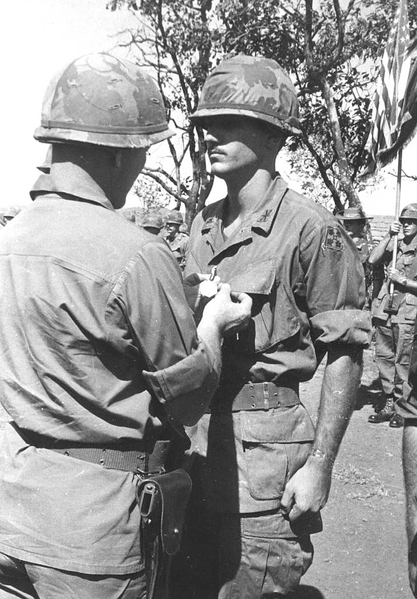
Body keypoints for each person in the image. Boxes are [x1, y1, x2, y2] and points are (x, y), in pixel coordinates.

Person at [0, 53, 252, 599]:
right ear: (121, 155)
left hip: (13, 514)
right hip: (92, 535)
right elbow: (186, 401)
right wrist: (213, 323)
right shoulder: (135, 254)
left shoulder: (9, 241)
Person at [171, 54, 371, 599]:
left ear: (272, 136)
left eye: (229, 123)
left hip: (266, 461)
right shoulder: (202, 225)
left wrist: (321, 467)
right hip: (195, 447)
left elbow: (345, 352)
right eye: (207, 124)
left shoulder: (311, 229)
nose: (211, 135)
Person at [368, 204, 417, 428]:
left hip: (407, 310)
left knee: (402, 360)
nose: (406, 224)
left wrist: (403, 280)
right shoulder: (395, 242)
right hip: (385, 307)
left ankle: (401, 407)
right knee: (384, 356)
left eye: (411, 221)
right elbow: (371, 260)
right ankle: (388, 403)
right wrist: (390, 234)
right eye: (403, 220)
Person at [341, 207, 373, 309]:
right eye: (345, 222)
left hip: (360, 295)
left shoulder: (368, 247)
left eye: (351, 222)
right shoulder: (340, 245)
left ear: (361, 225)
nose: (347, 225)